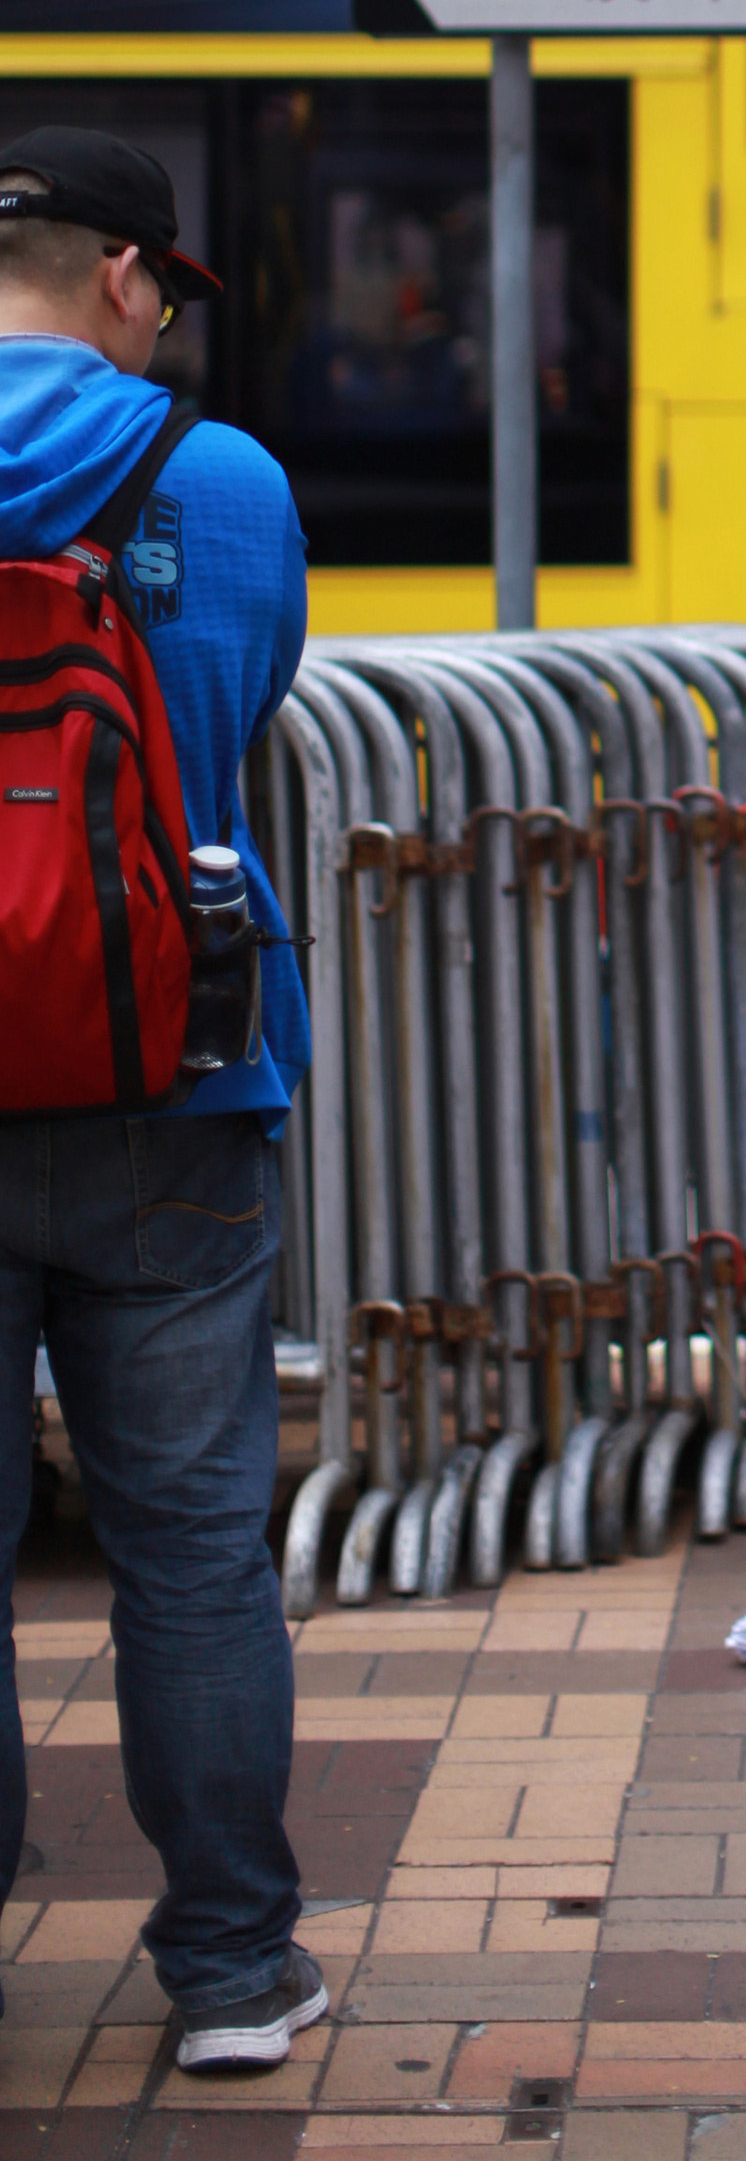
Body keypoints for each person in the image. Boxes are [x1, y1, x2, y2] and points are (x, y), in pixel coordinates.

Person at [0, 131, 317, 2074]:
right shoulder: (215, 476)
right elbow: (244, 703)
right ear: (129, 276)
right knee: (191, 1548)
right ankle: (227, 1974)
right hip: (172, 1065)